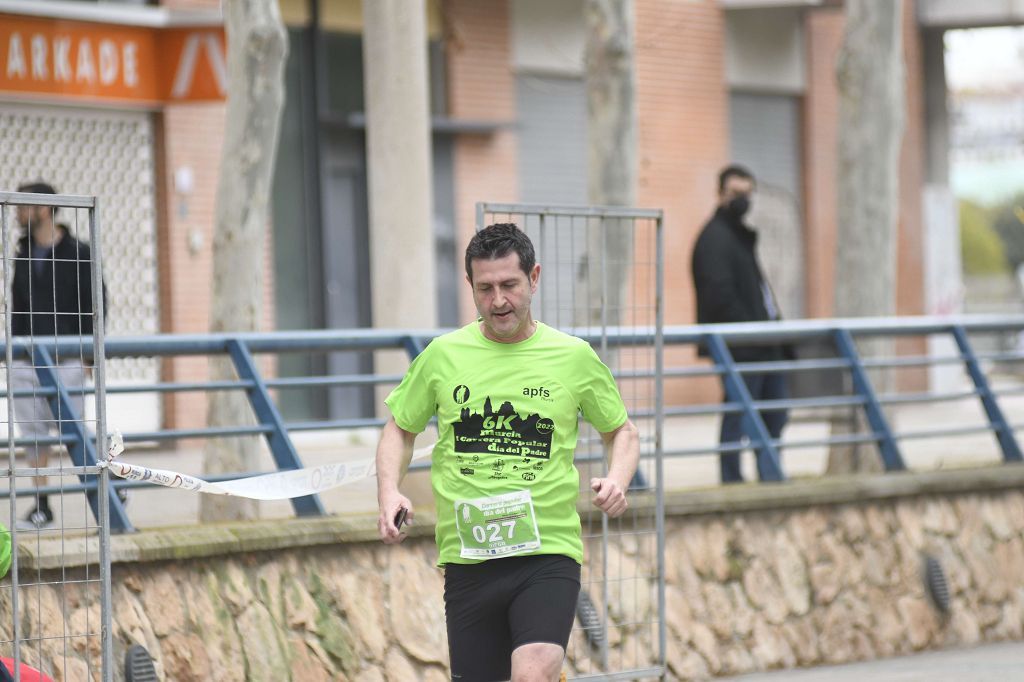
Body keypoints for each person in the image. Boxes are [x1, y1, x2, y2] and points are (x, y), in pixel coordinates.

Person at [376, 223, 639, 682]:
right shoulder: (442, 356)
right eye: (486, 288)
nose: (498, 300)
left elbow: (623, 432)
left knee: (533, 670)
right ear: (471, 288)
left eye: (509, 285)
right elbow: (399, 429)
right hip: (469, 558)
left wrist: (617, 479)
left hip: (547, 551)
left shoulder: (572, 357)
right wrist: (388, 491)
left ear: (534, 278)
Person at [10, 182, 110, 530]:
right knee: (34, 436)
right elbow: (17, 310)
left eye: (23, 206)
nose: (17, 213)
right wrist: (13, 354)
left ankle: (108, 497)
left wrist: (87, 358)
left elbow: (98, 304)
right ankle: (42, 508)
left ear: (43, 208)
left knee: (74, 432)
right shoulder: (21, 254)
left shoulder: (79, 252)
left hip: (68, 357)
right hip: (27, 360)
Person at [691, 164, 791, 484]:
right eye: (736, 194)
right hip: (742, 346)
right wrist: (752, 331)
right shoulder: (715, 240)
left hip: (763, 344)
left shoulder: (738, 236)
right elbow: (720, 297)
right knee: (740, 415)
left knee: (773, 414)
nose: (743, 200)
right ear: (720, 194)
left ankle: (769, 472)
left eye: (748, 194)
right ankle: (732, 478)